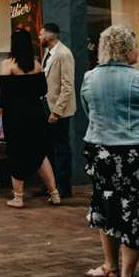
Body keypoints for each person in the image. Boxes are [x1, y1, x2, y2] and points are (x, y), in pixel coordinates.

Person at [81, 25, 139, 277]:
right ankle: (127, 272)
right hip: (135, 153)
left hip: (100, 150)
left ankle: (110, 265)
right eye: (135, 46)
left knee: (107, 204)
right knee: (136, 209)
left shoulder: (89, 78)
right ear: (127, 50)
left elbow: (89, 113)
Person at [0, 29, 60, 208]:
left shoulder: (7, 65)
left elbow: (2, 97)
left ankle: (18, 197)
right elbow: (43, 91)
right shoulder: (37, 65)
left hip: (16, 116)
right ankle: (54, 194)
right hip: (36, 114)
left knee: (16, 153)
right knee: (40, 153)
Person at [39, 23, 76, 198]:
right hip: (47, 107)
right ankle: (50, 185)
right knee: (48, 147)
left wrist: (57, 111)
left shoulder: (64, 54)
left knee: (61, 148)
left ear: (50, 34)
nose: (39, 37)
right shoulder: (48, 53)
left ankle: (64, 187)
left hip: (58, 110)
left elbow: (67, 86)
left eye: (41, 34)